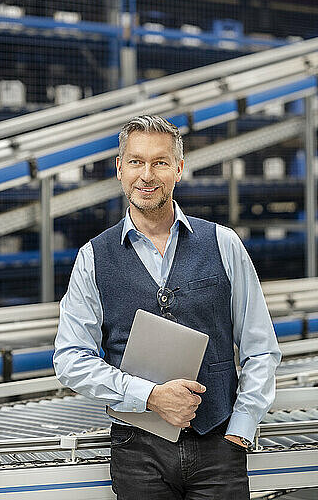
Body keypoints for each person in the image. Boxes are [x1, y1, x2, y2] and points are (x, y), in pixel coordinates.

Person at [53, 114, 281, 499]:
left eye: (160, 162)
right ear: (119, 169)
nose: (147, 175)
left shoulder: (223, 244)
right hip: (138, 452)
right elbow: (70, 358)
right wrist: (150, 396)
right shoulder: (94, 257)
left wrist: (241, 427)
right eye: (136, 162)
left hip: (218, 446)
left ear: (178, 168)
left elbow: (261, 346)